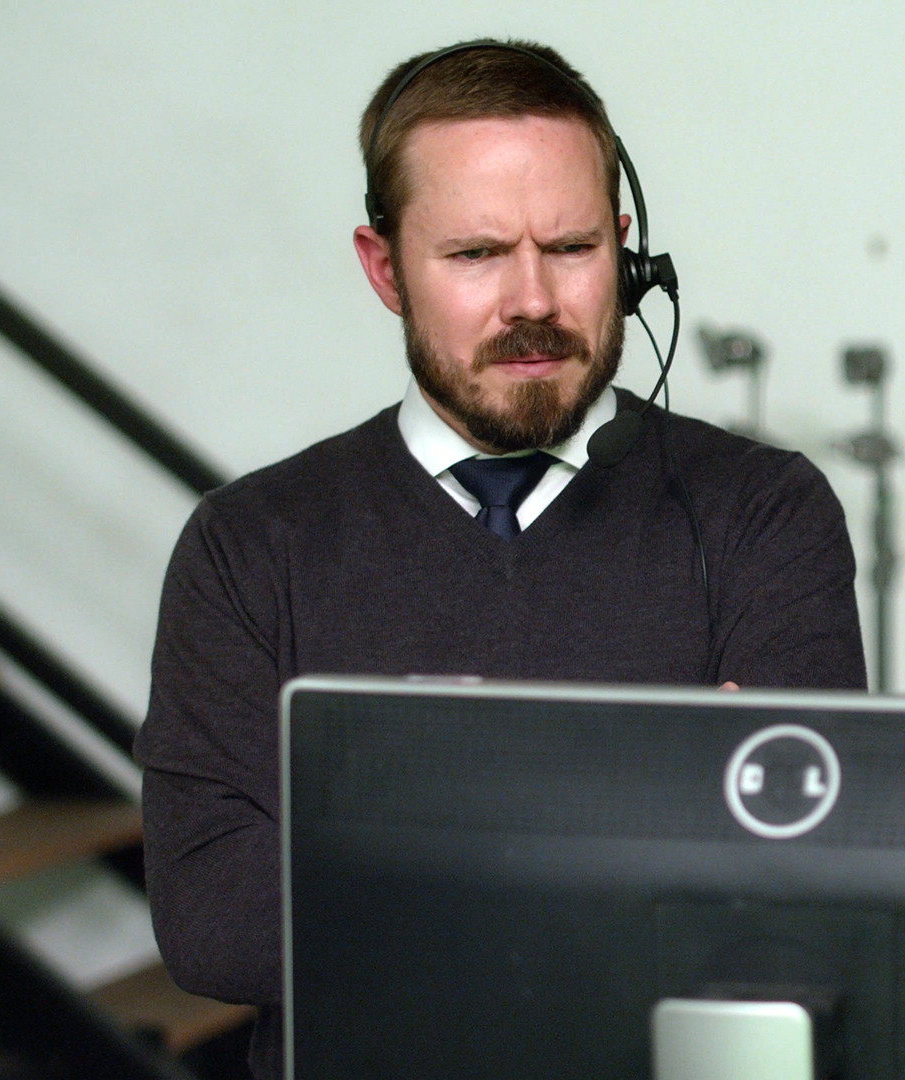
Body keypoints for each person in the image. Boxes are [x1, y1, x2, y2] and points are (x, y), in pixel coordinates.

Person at [135, 40, 866, 1079]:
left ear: (625, 252)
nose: (532, 300)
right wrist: (654, 810)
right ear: (385, 269)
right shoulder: (251, 544)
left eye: (570, 247)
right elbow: (215, 921)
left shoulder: (764, 515)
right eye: (477, 254)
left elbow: (801, 889)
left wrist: (395, 832)